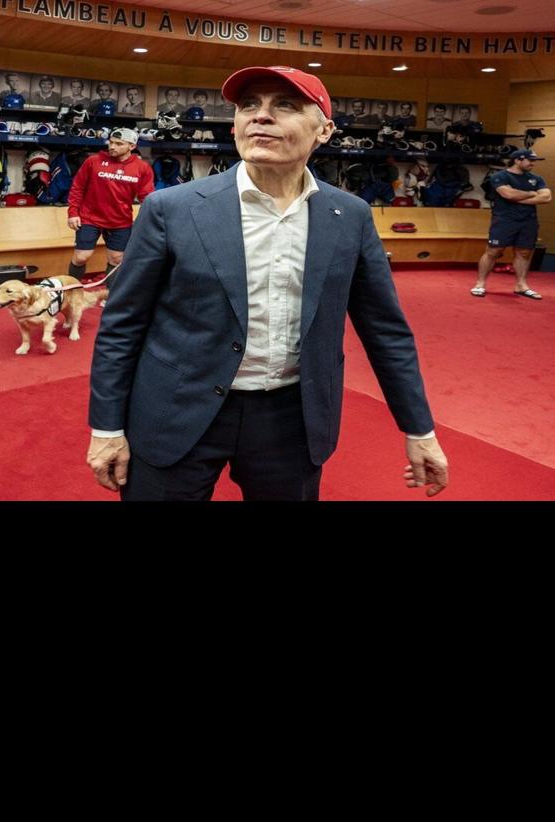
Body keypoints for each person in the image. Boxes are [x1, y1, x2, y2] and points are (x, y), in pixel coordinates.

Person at [87, 66, 449, 501]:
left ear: (324, 130)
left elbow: (385, 331)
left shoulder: (350, 216)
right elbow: (122, 325)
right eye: (248, 106)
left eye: (285, 106)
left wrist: (419, 428)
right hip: (176, 408)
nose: (260, 116)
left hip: (291, 420)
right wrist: (106, 427)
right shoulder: (172, 209)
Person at [66, 127, 154, 299]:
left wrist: (148, 220)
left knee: (116, 259)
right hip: (89, 217)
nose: (112, 146)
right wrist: (73, 212)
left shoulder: (142, 168)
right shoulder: (93, 161)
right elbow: (77, 187)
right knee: (81, 257)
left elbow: (147, 197)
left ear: (132, 146)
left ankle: (110, 296)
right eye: (111, 142)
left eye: (119, 144)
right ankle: (70, 293)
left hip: (120, 221)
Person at [471, 149, 551, 300]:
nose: (533, 163)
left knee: (524, 252)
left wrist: (520, 197)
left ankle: (521, 285)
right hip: (504, 219)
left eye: (534, 161)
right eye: (530, 160)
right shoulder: (500, 176)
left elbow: (546, 197)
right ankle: (480, 283)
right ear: (517, 160)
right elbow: (508, 194)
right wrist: (532, 193)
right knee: (493, 251)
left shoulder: (536, 178)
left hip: (528, 220)